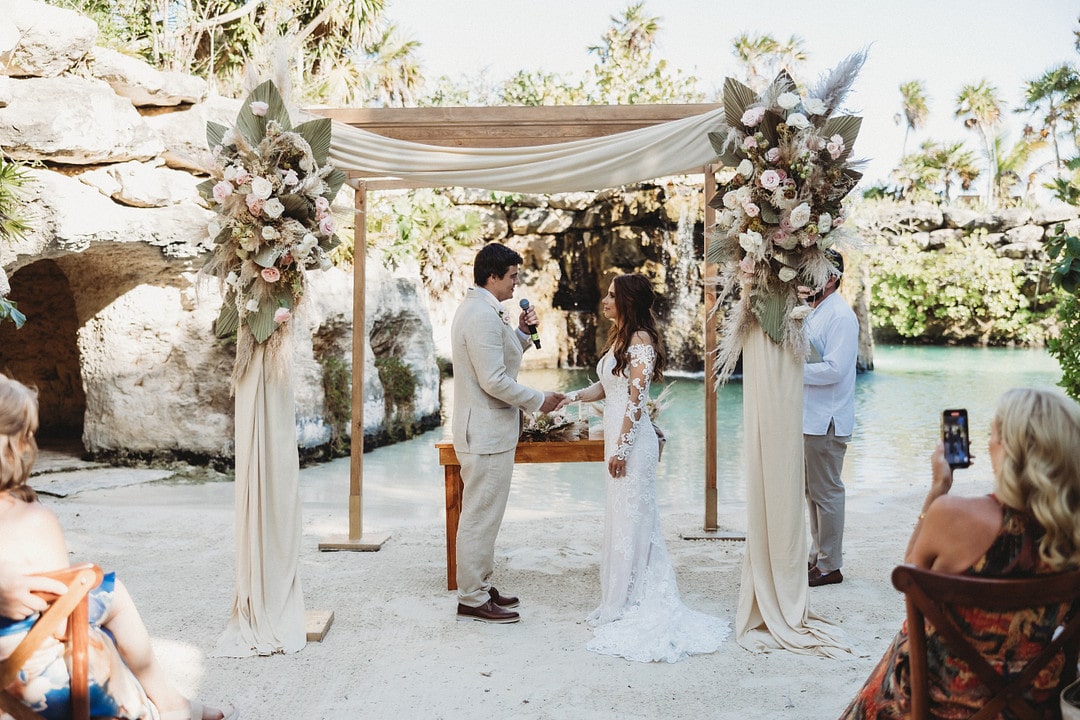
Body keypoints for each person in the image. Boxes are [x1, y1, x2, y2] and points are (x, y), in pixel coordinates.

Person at [0, 375, 236, 720]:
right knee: (101, 593)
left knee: (104, 590)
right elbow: (60, 621)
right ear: (18, 445)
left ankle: (178, 704)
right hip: (29, 677)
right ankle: (171, 706)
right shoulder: (33, 519)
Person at [840, 387, 1080, 719]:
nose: (989, 444)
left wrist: (939, 487)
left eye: (993, 435)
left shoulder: (953, 515)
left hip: (938, 703)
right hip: (1030, 703)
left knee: (907, 637)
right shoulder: (1073, 530)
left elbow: (909, 575)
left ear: (1009, 449)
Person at [560, 273, 730, 662]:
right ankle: (620, 597)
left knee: (635, 518)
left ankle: (633, 598)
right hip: (619, 441)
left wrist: (620, 448)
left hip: (633, 445)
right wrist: (565, 398)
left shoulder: (641, 341)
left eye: (610, 296)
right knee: (623, 518)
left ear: (627, 302)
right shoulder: (620, 340)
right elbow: (604, 388)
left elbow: (636, 400)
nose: (604, 301)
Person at [451, 243, 563, 624]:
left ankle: (480, 584)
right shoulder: (480, 314)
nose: (517, 282)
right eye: (513, 276)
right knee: (479, 516)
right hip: (483, 433)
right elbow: (494, 379)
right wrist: (539, 400)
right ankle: (471, 596)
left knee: (486, 515)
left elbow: (499, 359)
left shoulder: (485, 310)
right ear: (493, 276)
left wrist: (521, 333)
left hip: (489, 432)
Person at [799, 248, 858, 587]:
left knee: (827, 492)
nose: (807, 278)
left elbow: (835, 370)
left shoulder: (840, 316)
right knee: (813, 492)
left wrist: (793, 372)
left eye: (813, 271)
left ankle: (830, 565)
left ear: (832, 278)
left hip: (827, 419)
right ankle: (817, 556)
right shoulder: (815, 312)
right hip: (810, 417)